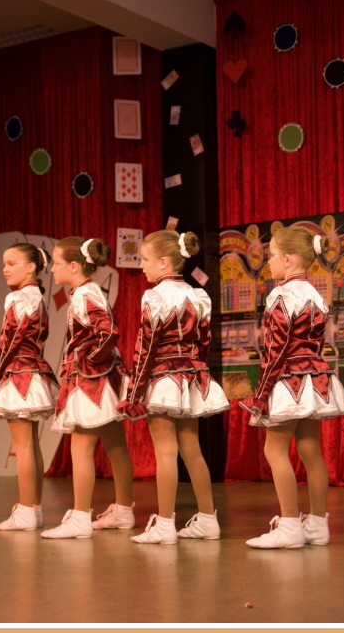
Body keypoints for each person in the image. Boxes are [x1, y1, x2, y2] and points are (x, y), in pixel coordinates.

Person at [238, 227, 344, 549]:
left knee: (274, 450)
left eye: (272, 255)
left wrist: (262, 393)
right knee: (310, 450)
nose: (269, 262)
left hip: (288, 378)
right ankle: (317, 525)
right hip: (314, 377)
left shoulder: (281, 295)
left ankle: (289, 525)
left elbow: (275, 350)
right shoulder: (315, 294)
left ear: (288, 259)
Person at [117, 230, 229, 544]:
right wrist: (196, 372)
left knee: (165, 452)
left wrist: (134, 393)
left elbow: (145, 347)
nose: (141, 266)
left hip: (163, 377)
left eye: (145, 259)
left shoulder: (153, 296)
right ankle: (208, 520)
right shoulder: (199, 295)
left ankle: (165, 525)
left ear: (164, 262)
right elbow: (204, 343)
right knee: (192, 450)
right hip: (190, 375)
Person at [42, 237, 135, 539]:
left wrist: (89, 361)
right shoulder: (87, 292)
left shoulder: (85, 294)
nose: (52, 269)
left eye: (56, 263)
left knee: (80, 448)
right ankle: (123, 511)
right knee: (115, 445)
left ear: (73, 265)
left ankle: (80, 517)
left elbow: (108, 331)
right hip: (102, 378)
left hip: (91, 381)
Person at [0, 243, 59, 531]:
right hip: (33, 371)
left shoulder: (17, 298)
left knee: (24, 446)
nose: (5, 269)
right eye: (4, 263)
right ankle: (33, 508)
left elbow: (9, 343)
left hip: (19, 374)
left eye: (12, 263)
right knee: (31, 445)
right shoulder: (37, 295)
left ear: (31, 267)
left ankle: (26, 511)